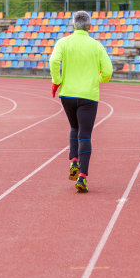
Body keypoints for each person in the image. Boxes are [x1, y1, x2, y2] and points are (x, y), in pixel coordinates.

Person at [49, 10, 113, 193]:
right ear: (89, 27)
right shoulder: (96, 46)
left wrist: (57, 80)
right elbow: (108, 71)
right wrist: (100, 79)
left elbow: (53, 60)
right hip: (88, 96)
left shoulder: (63, 42)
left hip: (67, 94)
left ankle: (73, 160)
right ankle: (82, 177)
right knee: (84, 135)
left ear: (73, 25)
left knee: (74, 128)